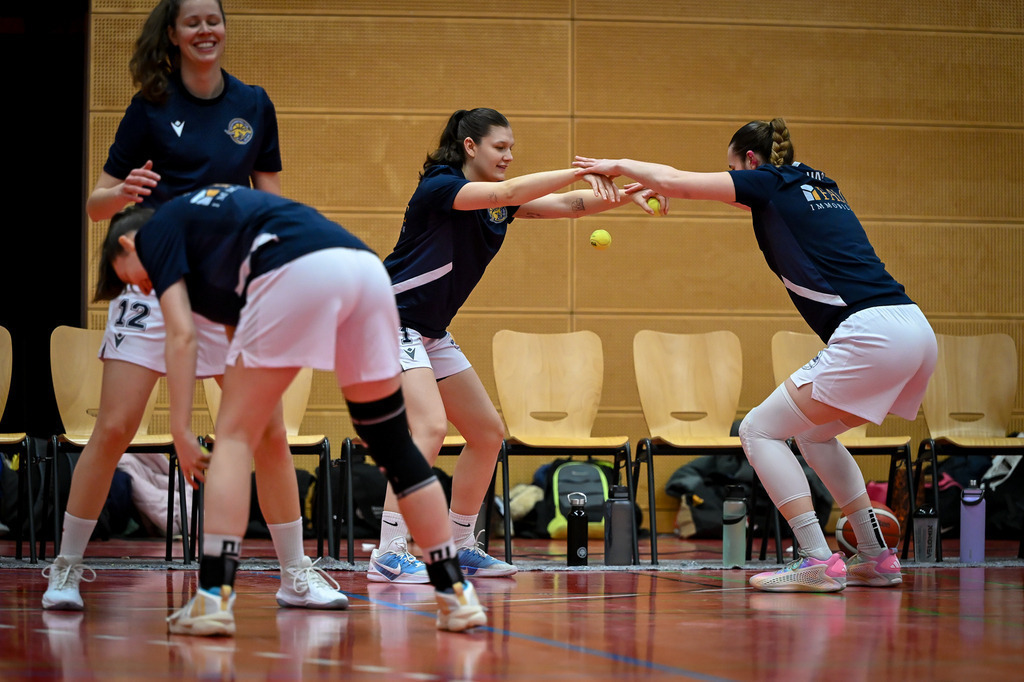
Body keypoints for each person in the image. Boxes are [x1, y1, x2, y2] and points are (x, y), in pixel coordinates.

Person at [42, 0, 345, 613]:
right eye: (193, 22)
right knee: (114, 428)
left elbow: (272, 203)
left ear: (223, 29)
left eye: (214, 20)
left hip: (223, 289)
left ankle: (295, 574)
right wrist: (120, 194)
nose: (206, 30)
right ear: (175, 35)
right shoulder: (150, 106)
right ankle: (66, 567)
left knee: (269, 433)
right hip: (152, 283)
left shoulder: (253, 105)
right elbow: (97, 205)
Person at [98, 185, 487, 635]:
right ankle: (455, 594)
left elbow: (181, 337)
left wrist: (182, 429)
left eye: (128, 278)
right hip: (366, 274)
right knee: (393, 443)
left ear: (127, 244)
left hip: (297, 273)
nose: (141, 288)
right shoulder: (219, 239)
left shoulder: (155, 231)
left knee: (235, 435)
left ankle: (211, 600)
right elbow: (237, 330)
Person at [574, 118, 936, 593]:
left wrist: (619, 164)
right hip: (914, 328)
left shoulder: (769, 180)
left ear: (750, 160)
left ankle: (815, 558)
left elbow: (681, 181)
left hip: (872, 333)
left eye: (732, 170)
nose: (732, 180)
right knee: (815, 436)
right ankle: (875, 556)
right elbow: (711, 191)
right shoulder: (817, 183)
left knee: (757, 430)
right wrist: (658, 184)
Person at [368, 107, 665, 583]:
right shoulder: (441, 187)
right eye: (500, 147)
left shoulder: (495, 203)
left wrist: (625, 194)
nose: (508, 156)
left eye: (512, 148)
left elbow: (569, 205)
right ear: (470, 146)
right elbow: (510, 192)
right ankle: (389, 550)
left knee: (487, 434)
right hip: (389, 318)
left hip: (430, 331)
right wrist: (582, 170)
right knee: (429, 427)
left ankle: (460, 545)